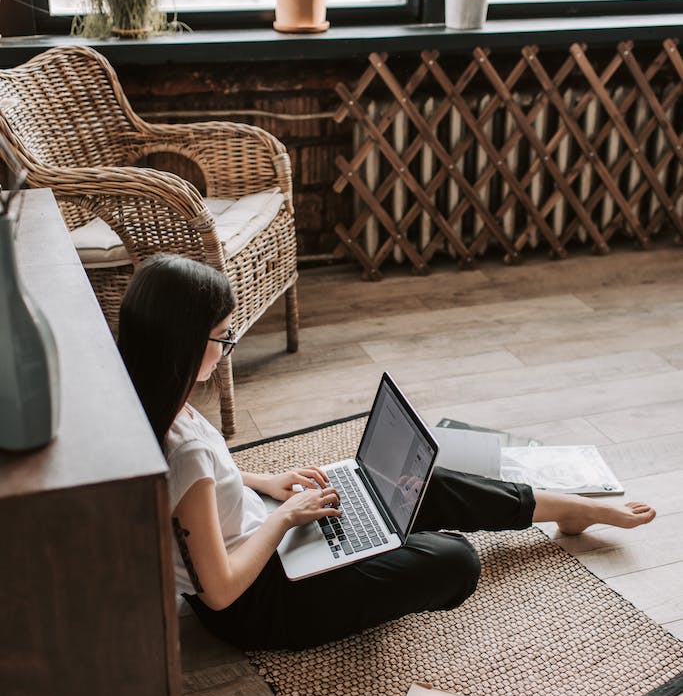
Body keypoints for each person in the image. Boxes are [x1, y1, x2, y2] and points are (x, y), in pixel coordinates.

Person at [118, 254, 656, 651]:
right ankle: (377, 542)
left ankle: (565, 507)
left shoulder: (153, 399)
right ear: (185, 343)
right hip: (260, 603)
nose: (228, 344)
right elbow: (219, 592)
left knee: (419, 482)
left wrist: (264, 482)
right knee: (455, 561)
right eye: (222, 336)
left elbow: (200, 485)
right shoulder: (180, 446)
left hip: (263, 539)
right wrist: (284, 520)